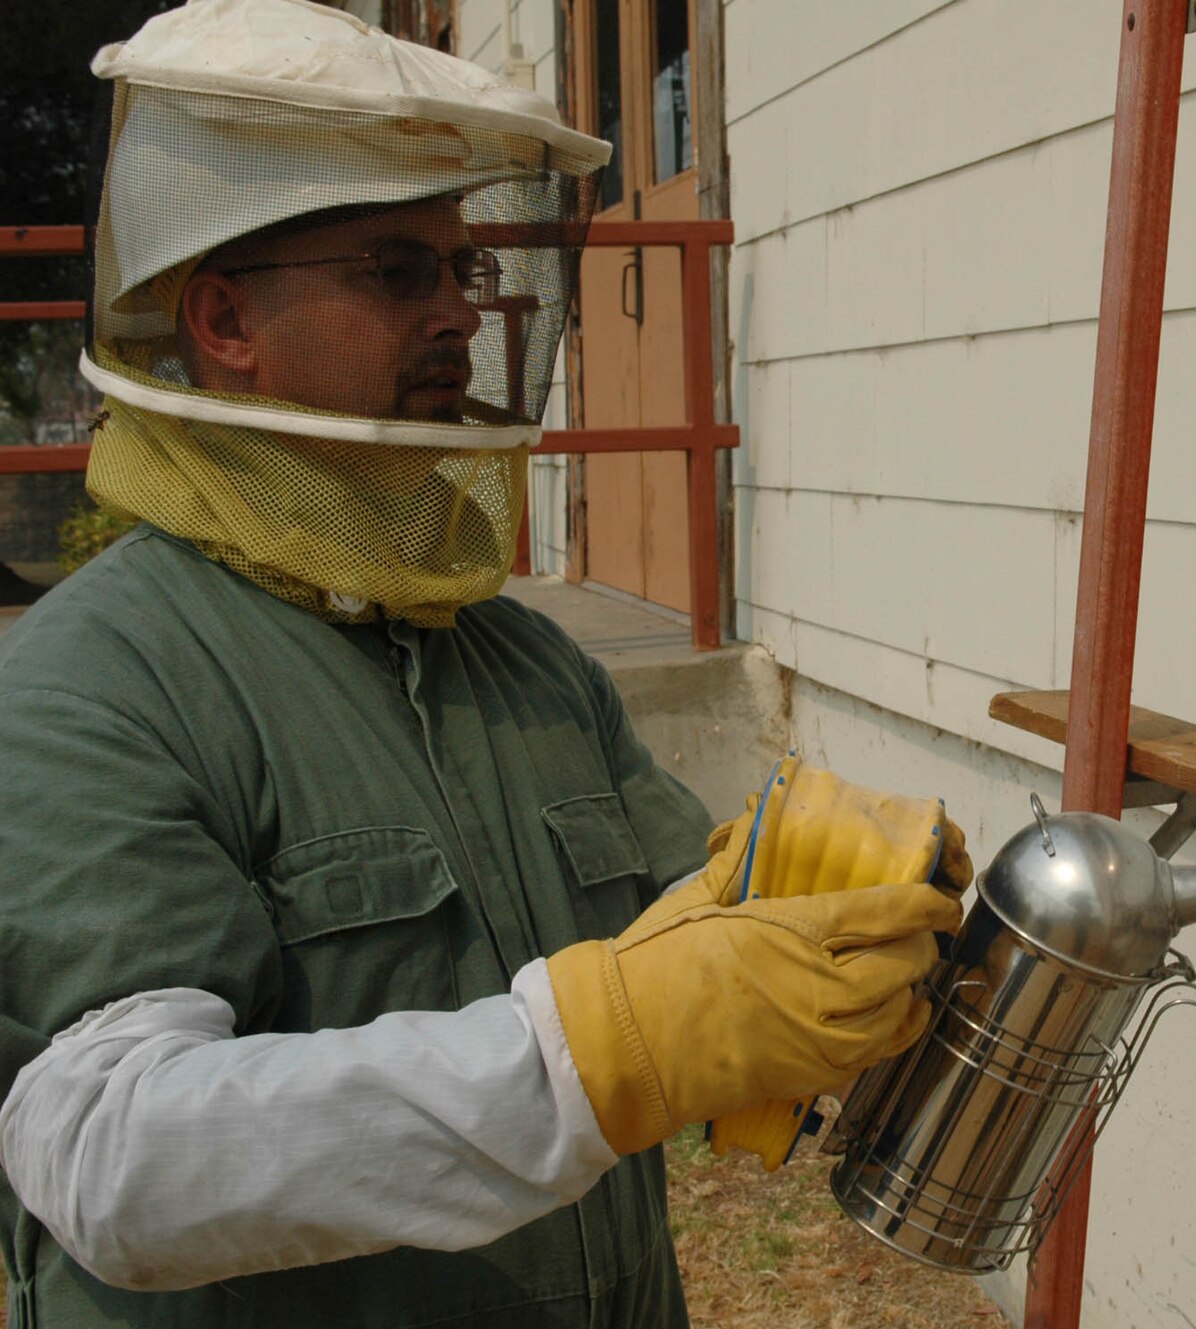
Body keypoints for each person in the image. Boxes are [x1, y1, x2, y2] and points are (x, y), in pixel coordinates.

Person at [0, 3, 965, 1326]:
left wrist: (800, 898)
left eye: (468, 270)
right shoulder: (90, 684)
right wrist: (611, 1044)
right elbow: (117, 1155)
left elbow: (672, 944)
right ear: (225, 318)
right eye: (398, 271)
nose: (462, 311)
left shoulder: (519, 657)